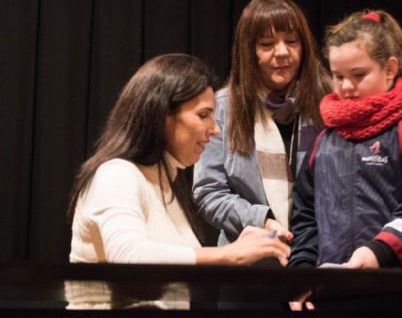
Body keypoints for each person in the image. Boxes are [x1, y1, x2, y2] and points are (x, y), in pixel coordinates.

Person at [68, 53, 290, 267]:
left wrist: (241, 247)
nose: (214, 129)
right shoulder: (116, 174)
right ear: (162, 114)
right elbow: (129, 255)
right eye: (203, 115)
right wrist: (227, 254)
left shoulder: (164, 184)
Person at [288, 9, 402, 272]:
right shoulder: (324, 139)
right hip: (334, 288)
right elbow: (305, 216)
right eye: (339, 76)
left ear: (390, 69)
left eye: (359, 75)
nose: (347, 86)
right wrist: (302, 272)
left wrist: (379, 253)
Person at [193, 0, 332, 247]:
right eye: (267, 44)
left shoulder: (329, 102)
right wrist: (262, 220)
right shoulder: (224, 107)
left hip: (320, 256)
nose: (282, 52)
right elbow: (208, 191)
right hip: (250, 262)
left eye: (292, 41)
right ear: (249, 51)